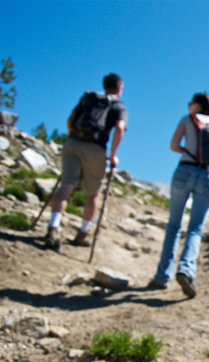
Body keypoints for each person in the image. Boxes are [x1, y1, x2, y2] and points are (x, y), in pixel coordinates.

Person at [149, 92, 209, 298]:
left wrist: (186, 151)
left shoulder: (187, 120)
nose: (188, 106)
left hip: (185, 170)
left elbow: (173, 145)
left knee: (174, 225)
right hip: (208, 176)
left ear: (197, 105)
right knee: (195, 228)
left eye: (190, 102)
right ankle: (186, 270)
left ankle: (162, 276)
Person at [44, 73, 127, 250]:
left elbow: (70, 120)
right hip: (95, 148)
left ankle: (53, 228)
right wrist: (113, 155)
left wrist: (72, 137)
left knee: (65, 186)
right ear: (119, 89)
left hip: (73, 143)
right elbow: (120, 128)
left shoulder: (89, 98)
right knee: (93, 193)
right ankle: (82, 233)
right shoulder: (119, 107)